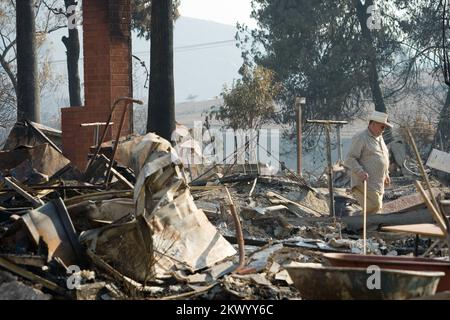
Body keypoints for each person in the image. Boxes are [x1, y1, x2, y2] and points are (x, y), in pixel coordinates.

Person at [344, 111, 392, 214]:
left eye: (384, 127)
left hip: (378, 183)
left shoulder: (380, 138)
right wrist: (360, 171)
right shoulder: (361, 137)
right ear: (373, 124)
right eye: (382, 127)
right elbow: (349, 158)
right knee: (375, 206)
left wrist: (386, 174)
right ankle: (355, 223)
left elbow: (384, 157)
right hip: (364, 182)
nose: (383, 130)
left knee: (376, 209)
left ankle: (364, 228)